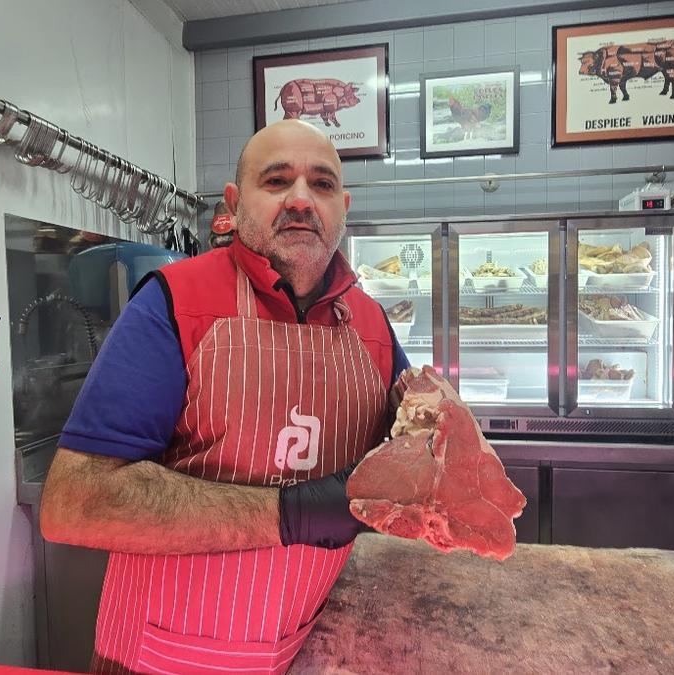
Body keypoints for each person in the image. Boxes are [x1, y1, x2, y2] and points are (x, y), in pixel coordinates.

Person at [40, 119, 410, 674]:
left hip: (302, 649)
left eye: (323, 184)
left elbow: (415, 455)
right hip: (161, 657)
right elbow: (77, 503)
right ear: (234, 205)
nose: (302, 200)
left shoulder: (372, 323)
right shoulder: (173, 301)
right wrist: (293, 514)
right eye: (277, 180)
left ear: (344, 207)